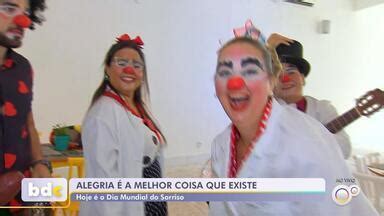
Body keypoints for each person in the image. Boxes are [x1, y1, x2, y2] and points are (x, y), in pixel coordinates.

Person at [209, 29, 378, 215]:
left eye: (250, 71)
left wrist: (318, 139)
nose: (237, 83)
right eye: (224, 72)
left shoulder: (312, 132)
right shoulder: (221, 143)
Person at [81, 34, 167, 216]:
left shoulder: (135, 107)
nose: (130, 70)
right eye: (121, 63)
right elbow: (104, 184)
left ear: (142, 74)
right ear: (107, 69)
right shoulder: (102, 114)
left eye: (137, 66)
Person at [268, 34, 352, 159]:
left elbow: (345, 149)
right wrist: (267, 49)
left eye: (291, 72)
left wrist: (313, 139)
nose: (285, 78)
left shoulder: (324, 109)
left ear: (303, 78)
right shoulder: (265, 110)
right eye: (278, 73)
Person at [0, 0, 49, 213]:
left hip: (20, 198)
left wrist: (38, 162)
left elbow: (27, 120)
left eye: (27, 12)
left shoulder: (23, 68)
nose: (22, 20)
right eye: (9, 8)